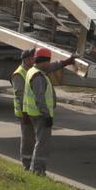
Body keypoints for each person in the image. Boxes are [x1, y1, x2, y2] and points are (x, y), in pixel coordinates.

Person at [20, 47, 77, 176]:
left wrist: (66, 62)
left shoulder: (34, 70)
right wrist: (46, 116)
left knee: (38, 142)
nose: (50, 64)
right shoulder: (38, 77)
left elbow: (52, 67)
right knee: (42, 144)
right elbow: (40, 99)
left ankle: (34, 168)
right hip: (41, 115)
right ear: (43, 61)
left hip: (33, 113)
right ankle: (38, 171)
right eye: (48, 61)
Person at [11, 49, 36, 170]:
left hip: (32, 111)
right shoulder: (19, 74)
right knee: (27, 139)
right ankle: (26, 164)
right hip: (24, 113)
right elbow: (19, 96)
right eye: (32, 58)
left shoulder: (31, 71)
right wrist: (25, 114)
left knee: (32, 138)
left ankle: (31, 162)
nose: (34, 60)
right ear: (26, 60)